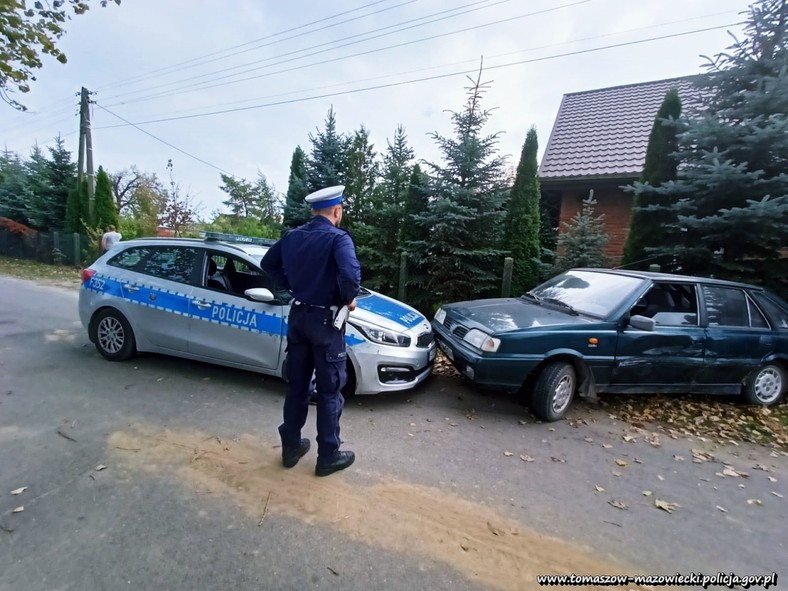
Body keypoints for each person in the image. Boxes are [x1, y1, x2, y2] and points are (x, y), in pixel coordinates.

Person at [261, 185, 361, 477]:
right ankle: (328, 455)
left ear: (314, 210)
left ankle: (291, 447)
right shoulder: (338, 238)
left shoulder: (292, 237)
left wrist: (292, 286)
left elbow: (269, 264)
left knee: (297, 385)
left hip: (298, 316)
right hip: (326, 323)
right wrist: (346, 298)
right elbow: (351, 278)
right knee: (329, 390)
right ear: (337, 210)